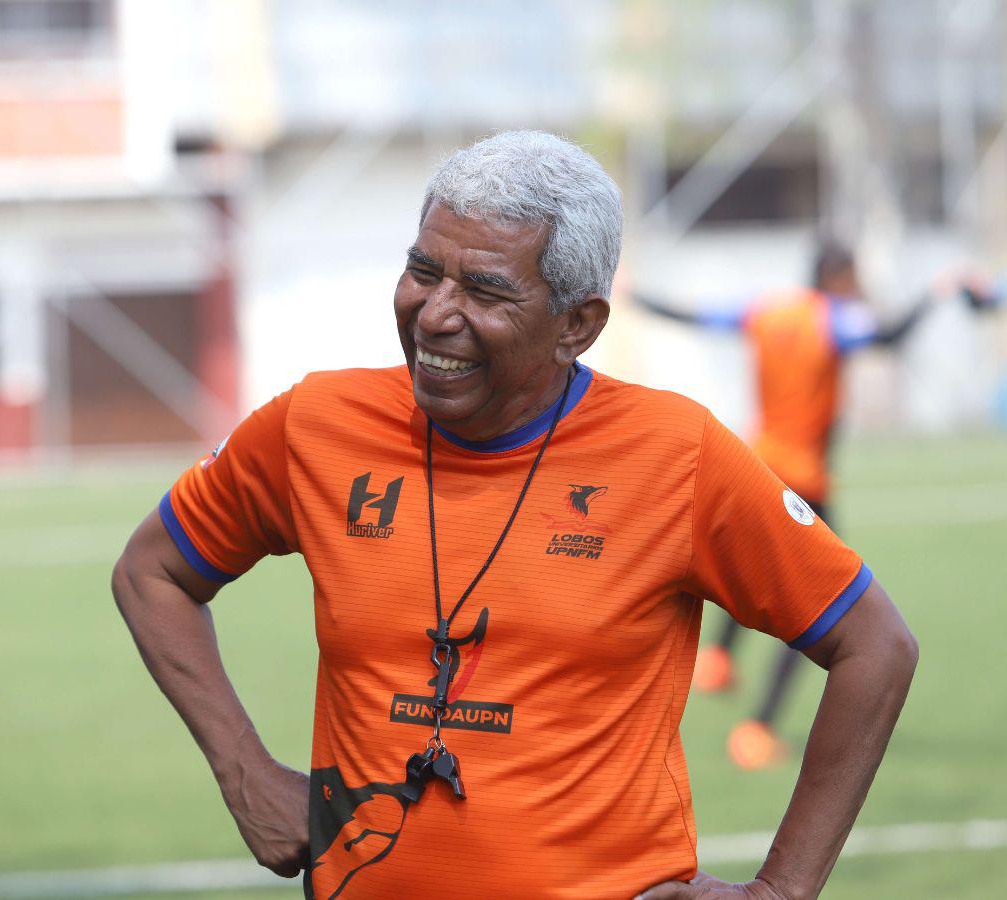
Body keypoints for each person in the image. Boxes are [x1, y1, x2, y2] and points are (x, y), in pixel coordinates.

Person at [112, 131, 918, 899]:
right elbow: (152, 572)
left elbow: (874, 644)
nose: (435, 313)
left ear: (577, 326)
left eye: (486, 290)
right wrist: (243, 770)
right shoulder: (316, 425)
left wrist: (783, 887)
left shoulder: (677, 455)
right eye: (423, 271)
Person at [632, 247, 976, 770]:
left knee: (749, 569)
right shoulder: (833, 320)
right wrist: (937, 292)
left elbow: (695, 316)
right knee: (825, 608)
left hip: (759, 467)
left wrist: (635, 295)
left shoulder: (765, 310)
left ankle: (718, 660)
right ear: (838, 276)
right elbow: (888, 336)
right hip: (806, 482)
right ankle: (759, 729)